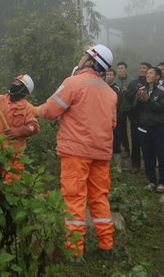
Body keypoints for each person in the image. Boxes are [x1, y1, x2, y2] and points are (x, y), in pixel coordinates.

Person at [33, 44, 117, 264]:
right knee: (100, 198)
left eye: (84, 55)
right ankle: (106, 246)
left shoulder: (73, 83)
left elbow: (50, 111)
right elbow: (113, 123)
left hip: (76, 153)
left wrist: (33, 110)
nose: (80, 58)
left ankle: (75, 252)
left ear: (91, 61)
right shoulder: (110, 93)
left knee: (74, 200)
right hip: (101, 153)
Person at [0, 71, 39, 182]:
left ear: (23, 89)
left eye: (17, 83)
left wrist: (18, 131)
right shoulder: (1, 100)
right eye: (14, 81)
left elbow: (34, 127)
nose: (14, 83)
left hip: (13, 159)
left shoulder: (28, 108)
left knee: (10, 191)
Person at [134, 66, 164, 193]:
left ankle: (162, 182)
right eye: (147, 73)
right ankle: (152, 181)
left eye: (151, 73)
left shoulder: (163, 91)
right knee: (147, 155)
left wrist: (148, 100)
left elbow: (163, 108)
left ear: (157, 77)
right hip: (144, 127)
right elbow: (135, 107)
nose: (147, 75)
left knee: (160, 155)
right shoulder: (142, 89)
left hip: (158, 128)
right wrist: (140, 100)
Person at [125, 62, 152, 172]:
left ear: (149, 70)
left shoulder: (151, 83)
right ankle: (135, 165)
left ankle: (149, 165)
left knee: (148, 143)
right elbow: (128, 97)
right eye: (140, 68)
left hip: (149, 117)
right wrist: (136, 90)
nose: (141, 70)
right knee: (135, 142)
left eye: (144, 68)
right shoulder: (133, 83)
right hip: (135, 117)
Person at [105, 68, 123, 170]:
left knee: (116, 142)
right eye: (107, 74)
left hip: (115, 119)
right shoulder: (100, 87)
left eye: (111, 75)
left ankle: (117, 167)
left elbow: (116, 103)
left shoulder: (117, 89)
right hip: (102, 120)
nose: (109, 76)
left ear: (114, 77)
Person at [114, 61, 132, 158]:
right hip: (120, 109)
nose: (120, 70)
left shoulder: (131, 80)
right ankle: (126, 149)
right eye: (119, 68)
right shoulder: (115, 80)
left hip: (130, 108)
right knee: (122, 129)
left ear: (126, 69)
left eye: (122, 68)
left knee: (133, 129)